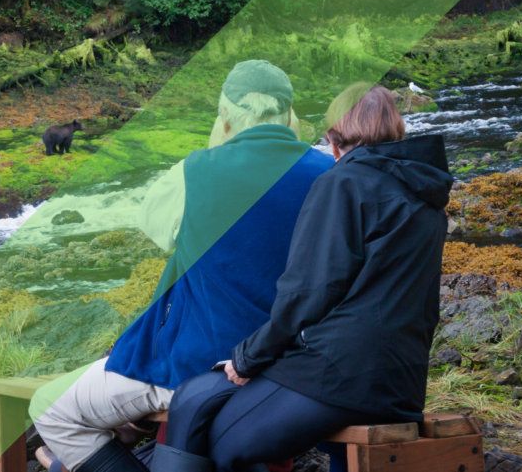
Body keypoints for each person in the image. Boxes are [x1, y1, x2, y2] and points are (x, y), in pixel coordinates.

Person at [29, 60, 335, 472]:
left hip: (200, 369)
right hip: (298, 373)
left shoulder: (195, 172)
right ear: (290, 115)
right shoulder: (332, 175)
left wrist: (214, 151)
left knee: (50, 409)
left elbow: (160, 231)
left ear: (224, 115)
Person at [153, 83, 454, 472]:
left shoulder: (342, 183)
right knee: (205, 405)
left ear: (333, 139)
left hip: (338, 375)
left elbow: (308, 292)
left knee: (211, 429)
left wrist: (247, 358)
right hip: (402, 381)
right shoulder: (426, 197)